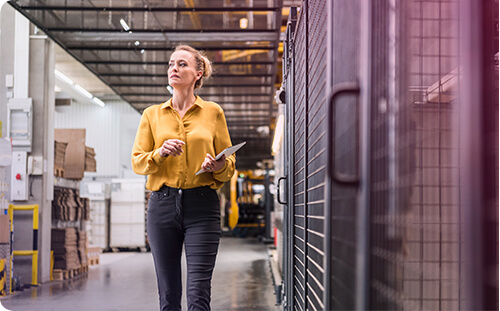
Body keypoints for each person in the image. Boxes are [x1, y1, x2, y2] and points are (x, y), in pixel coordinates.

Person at [131, 44, 236, 311]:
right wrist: (159, 153)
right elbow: (137, 161)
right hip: (162, 205)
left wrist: (216, 166)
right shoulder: (152, 115)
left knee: (198, 291)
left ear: (198, 74)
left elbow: (230, 163)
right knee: (168, 293)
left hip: (202, 205)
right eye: (171, 64)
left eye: (182, 64)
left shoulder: (213, 112)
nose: (174, 69)